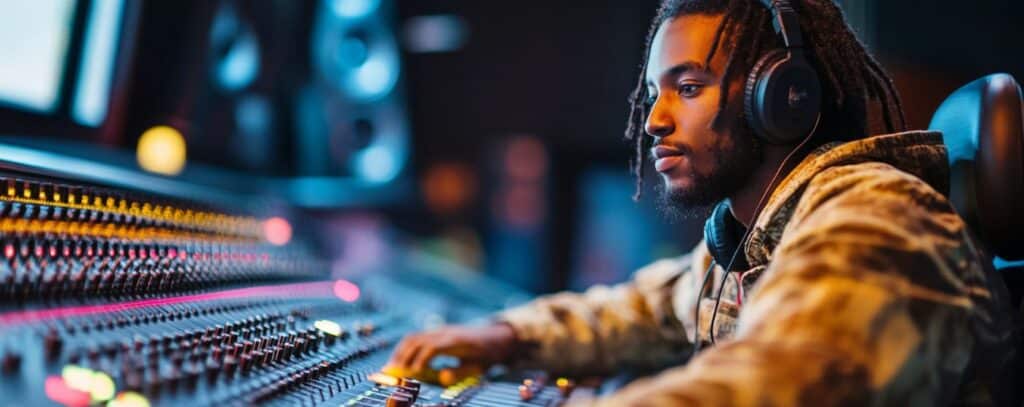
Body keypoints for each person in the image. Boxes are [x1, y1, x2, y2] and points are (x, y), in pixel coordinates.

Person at [386, 0, 1020, 405]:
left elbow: (785, 378)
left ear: (782, 98)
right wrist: (502, 335)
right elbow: (648, 310)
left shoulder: (874, 215)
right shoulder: (748, 242)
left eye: (688, 87)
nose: (656, 120)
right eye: (655, 92)